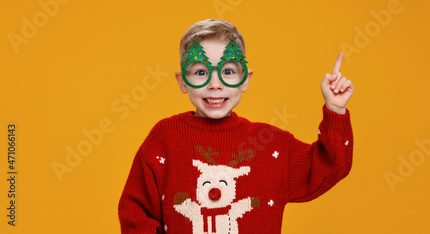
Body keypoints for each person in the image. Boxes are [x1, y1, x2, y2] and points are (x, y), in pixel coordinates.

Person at [118, 19, 354, 234]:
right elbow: (135, 212)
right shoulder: (165, 138)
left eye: (228, 71)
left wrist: (336, 110)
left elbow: (330, 165)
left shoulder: (270, 143)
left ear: (246, 80)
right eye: (200, 72)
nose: (215, 84)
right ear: (182, 82)